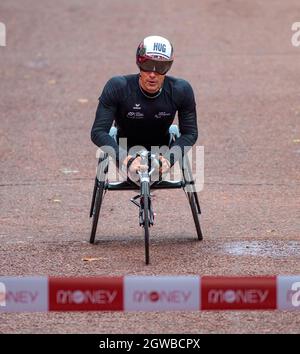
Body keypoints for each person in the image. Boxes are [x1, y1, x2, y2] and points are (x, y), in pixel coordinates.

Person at [91, 35, 198, 180]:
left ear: (168, 67)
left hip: (162, 149)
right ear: (139, 64)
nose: (152, 74)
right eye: (147, 66)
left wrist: (169, 159)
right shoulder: (118, 87)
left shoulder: (181, 90)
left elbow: (190, 133)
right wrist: (126, 159)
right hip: (124, 148)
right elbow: (98, 132)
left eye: (160, 67)